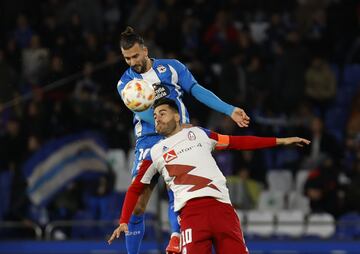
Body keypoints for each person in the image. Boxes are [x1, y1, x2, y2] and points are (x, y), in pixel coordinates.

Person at [108, 98, 310, 253]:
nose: (157, 118)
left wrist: (281, 141)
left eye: (162, 113)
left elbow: (238, 142)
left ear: (177, 116)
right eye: (155, 116)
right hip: (192, 216)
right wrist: (124, 219)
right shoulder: (155, 152)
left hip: (223, 211)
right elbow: (136, 188)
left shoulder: (200, 134)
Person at [116, 27, 250, 254]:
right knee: (137, 207)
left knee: (179, 191)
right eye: (127, 58)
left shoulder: (171, 68)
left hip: (179, 136)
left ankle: (177, 238)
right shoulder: (125, 84)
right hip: (148, 142)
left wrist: (229, 110)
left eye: (135, 56)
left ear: (145, 51)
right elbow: (147, 115)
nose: (132, 62)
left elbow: (197, 90)